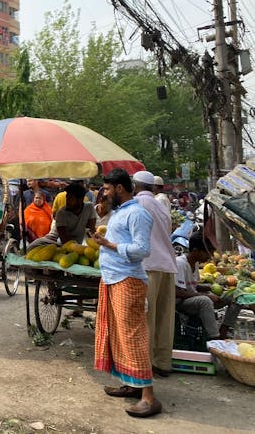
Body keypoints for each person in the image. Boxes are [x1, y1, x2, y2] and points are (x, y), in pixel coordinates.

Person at [91, 168, 161, 419]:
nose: (105, 193)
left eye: (107, 189)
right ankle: (132, 385)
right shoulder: (120, 212)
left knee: (133, 336)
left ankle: (149, 398)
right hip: (113, 279)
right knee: (118, 335)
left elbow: (142, 249)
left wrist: (110, 245)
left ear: (119, 188)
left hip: (127, 280)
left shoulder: (138, 213)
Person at [133, 170, 176, 378]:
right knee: (164, 318)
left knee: (145, 318)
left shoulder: (137, 204)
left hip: (148, 265)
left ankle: (145, 364)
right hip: (167, 265)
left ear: (135, 185)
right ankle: (163, 362)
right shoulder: (162, 205)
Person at [175, 231, 242, 340]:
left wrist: (210, 288)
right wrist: (206, 295)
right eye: (207, 252)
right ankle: (214, 338)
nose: (210, 256)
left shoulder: (195, 263)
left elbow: (192, 286)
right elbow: (176, 292)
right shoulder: (180, 263)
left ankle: (224, 329)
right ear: (196, 251)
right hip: (182, 303)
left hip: (193, 298)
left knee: (237, 294)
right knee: (205, 301)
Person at [28, 183, 96, 250]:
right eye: (67, 197)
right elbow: (64, 239)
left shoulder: (89, 207)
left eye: (71, 198)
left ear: (80, 200)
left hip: (75, 244)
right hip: (55, 241)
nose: (67, 200)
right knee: (31, 246)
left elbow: (92, 229)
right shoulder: (61, 213)